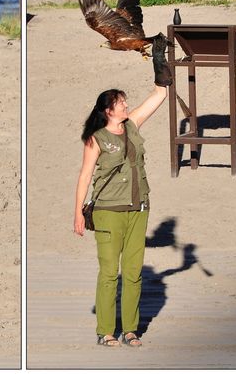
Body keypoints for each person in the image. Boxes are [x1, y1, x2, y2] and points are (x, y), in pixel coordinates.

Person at [73, 34, 173, 348]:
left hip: (139, 208)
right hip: (107, 211)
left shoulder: (132, 124)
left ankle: (130, 330)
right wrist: (77, 213)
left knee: (132, 273)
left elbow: (159, 95)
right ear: (107, 110)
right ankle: (105, 331)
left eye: (125, 101)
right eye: (120, 102)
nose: (126, 105)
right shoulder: (97, 138)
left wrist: (159, 61)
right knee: (109, 273)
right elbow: (85, 176)